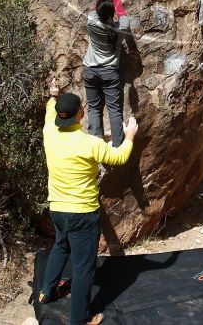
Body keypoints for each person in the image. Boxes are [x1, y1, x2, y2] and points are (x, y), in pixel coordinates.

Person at [39, 79, 139, 325]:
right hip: (82, 214)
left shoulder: (49, 131)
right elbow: (119, 156)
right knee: (84, 268)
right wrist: (129, 136)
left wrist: (53, 94)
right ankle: (81, 319)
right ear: (80, 114)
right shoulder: (88, 143)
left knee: (61, 246)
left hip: (58, 210)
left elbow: (50, 108)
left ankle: (45, 292)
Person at [83, 0, 129, 148]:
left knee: (94, 109)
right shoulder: (122, 26)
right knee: (114, 111)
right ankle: (117, 148)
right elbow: (121, 13)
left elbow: (99, 7)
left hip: (90, 70)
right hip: (110, 72)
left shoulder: (92, 21)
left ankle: (96, 148)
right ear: (114, 15)